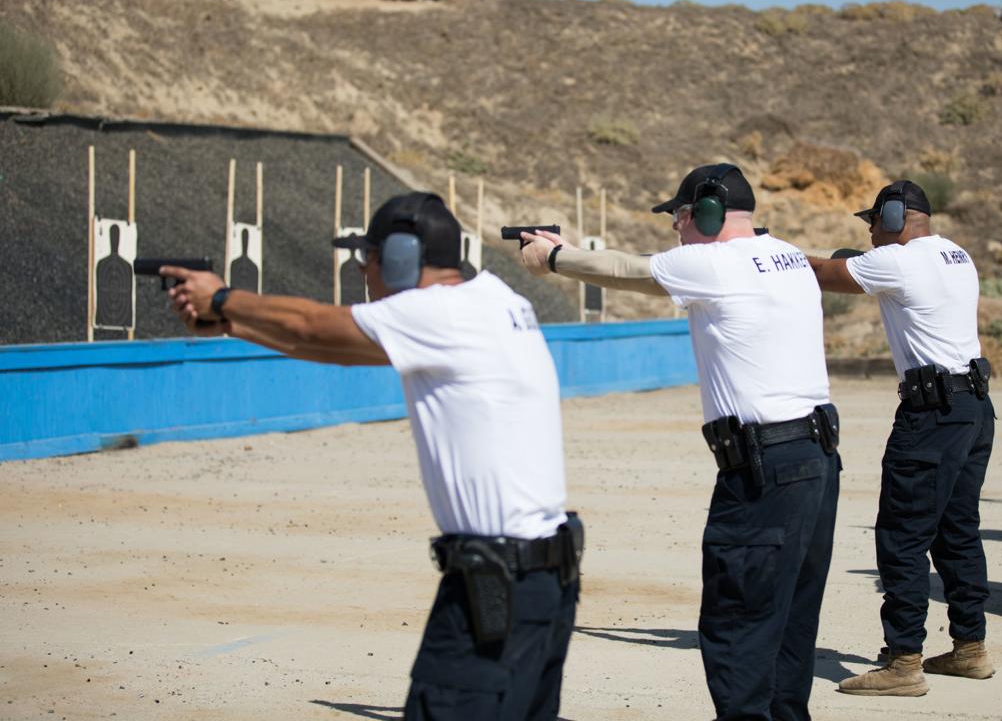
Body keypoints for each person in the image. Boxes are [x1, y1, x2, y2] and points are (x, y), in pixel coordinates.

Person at [162, 192, 582, 721]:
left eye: (370, 258)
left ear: (402, 257)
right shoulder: (491, 299)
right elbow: (341, 346)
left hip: (494, 587)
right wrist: (233, 325)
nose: (365, 272)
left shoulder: (436, 313)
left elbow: (314, 326)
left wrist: (223, 299)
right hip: (544, 583)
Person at [520, 163, 840, 721]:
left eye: (682, 216)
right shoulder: (788, 256)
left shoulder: (715, 261)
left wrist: (554, 257)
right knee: (788, 618)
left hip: (763, 466)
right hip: (814, 457)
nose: (677, 229)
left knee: (737, 623)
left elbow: (623, 269)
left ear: (709, 213)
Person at [806, 180, 995, 698]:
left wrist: (770, 255)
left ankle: (905, 661)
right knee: (958, 529)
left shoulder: (899, 261)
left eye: (874, 220)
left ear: (895, 215)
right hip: (974, 405)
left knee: (903, 535)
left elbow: (825, 273)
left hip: (932, 413)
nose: (869, 230)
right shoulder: (956, 254)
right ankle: (969, 647)